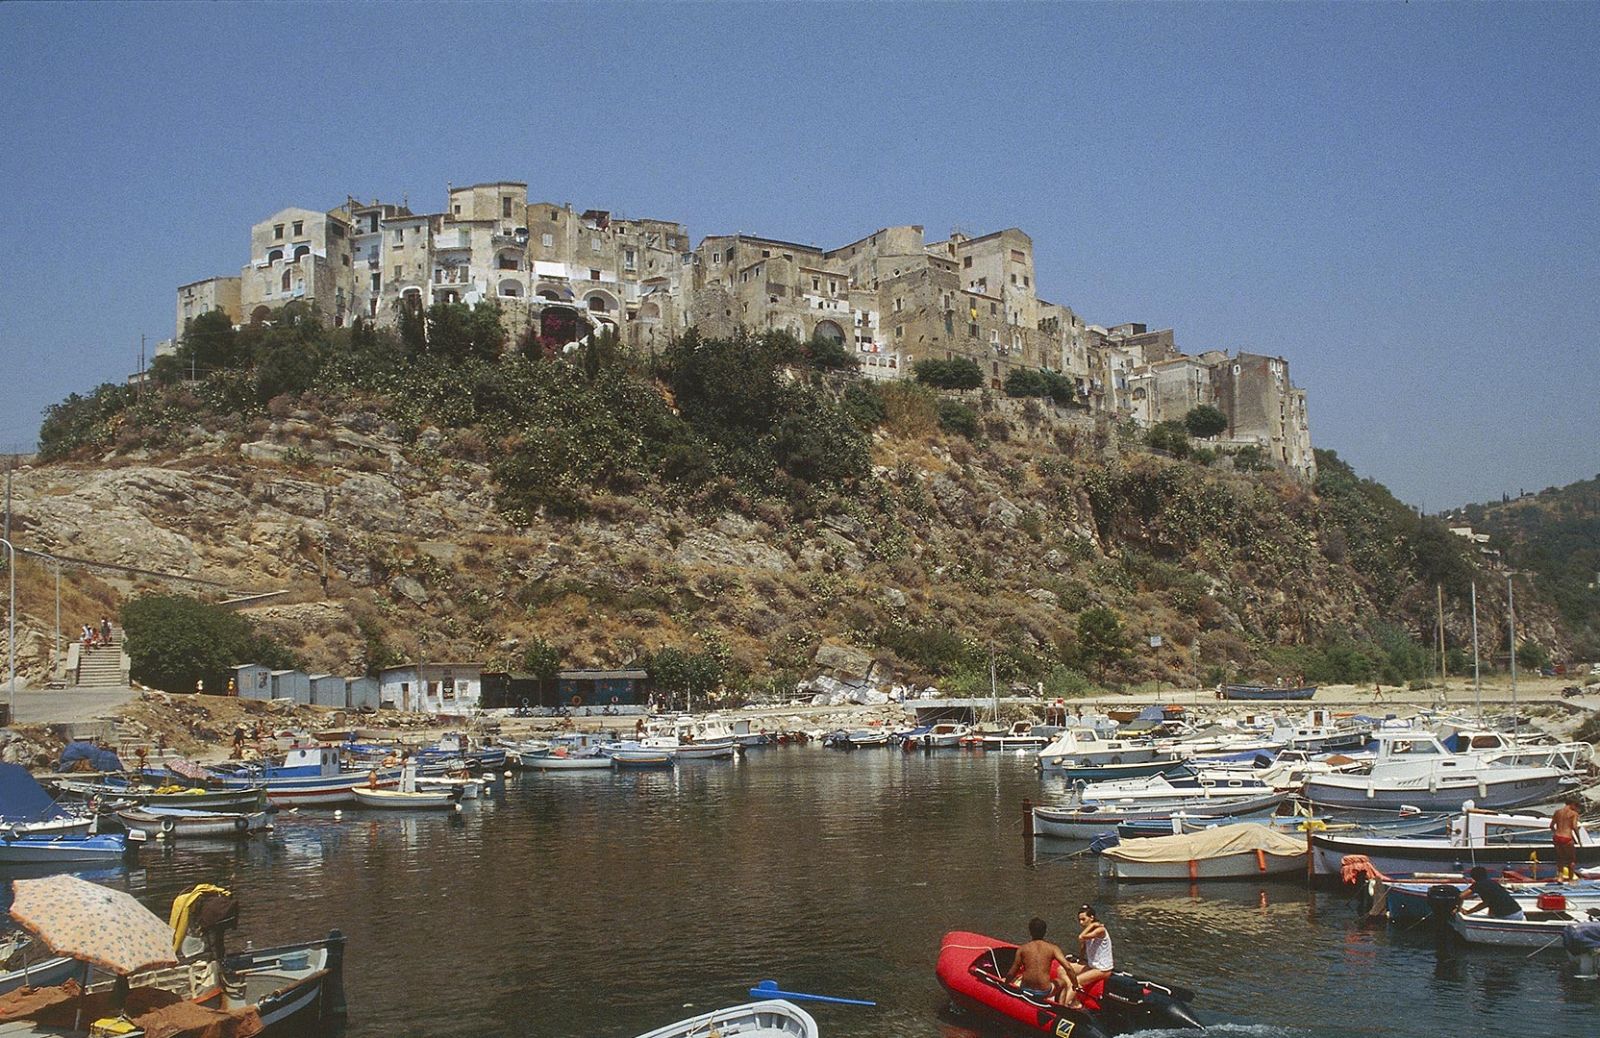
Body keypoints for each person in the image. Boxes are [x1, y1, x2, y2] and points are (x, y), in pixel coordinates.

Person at [1005, 917, 1072, 1003]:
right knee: (1063, 983)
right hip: (1044, 991)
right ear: (1045, 931)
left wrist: (1005, 983)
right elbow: (1068, 967)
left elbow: (1013, 971)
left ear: (1030, 932)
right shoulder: (1053, 948)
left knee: (1019, 978)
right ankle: (1060, 1009)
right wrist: (1075, 985)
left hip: (1025, 989)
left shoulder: (1022, 949)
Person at [1062, 905, 1114, 1008]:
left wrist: (1092, 925)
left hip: (1103, 969)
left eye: (1083, 919)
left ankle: (1063, 1006)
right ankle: (1074, 997)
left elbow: (1081, 937)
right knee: (1061, 969)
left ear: (1092, 917)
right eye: (1079, 920)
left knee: (1077, 980)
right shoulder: (1089, 931)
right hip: (1092, 966)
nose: (1081, 923)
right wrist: (1080, 961)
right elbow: (1083, 948)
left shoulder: (1100, 930)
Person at [1552, 797, 1582, 882]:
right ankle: (1571, 879)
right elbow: (1574, 827)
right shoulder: (1573, 813)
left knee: (1560, 858)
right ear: (1572, 804)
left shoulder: (1557, 812)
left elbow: (1551, 826)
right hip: (1567, 837)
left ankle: (1560, 877)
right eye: (1576, 806)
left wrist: (1556, 832)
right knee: (1571, 859)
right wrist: (1579, 840)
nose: (1576, 808)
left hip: (1557, 837)